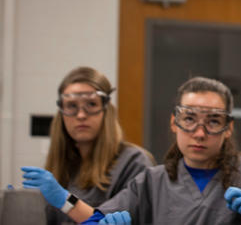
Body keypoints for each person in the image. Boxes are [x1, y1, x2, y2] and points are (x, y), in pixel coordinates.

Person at [85, 77, 241, 224]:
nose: (200, 133)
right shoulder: (150, 183)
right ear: (174, 123)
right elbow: (93, 220)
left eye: (214, 120)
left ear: (229, 128)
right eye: (189, 119)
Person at [20, 66, 154, 224]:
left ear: (106, 110)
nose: (81, 115)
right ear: (61, 112)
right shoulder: (62, 165)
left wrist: (65, 200)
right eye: (71, 106)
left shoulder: (134, 163)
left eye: (91, 104)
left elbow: (108, 222)